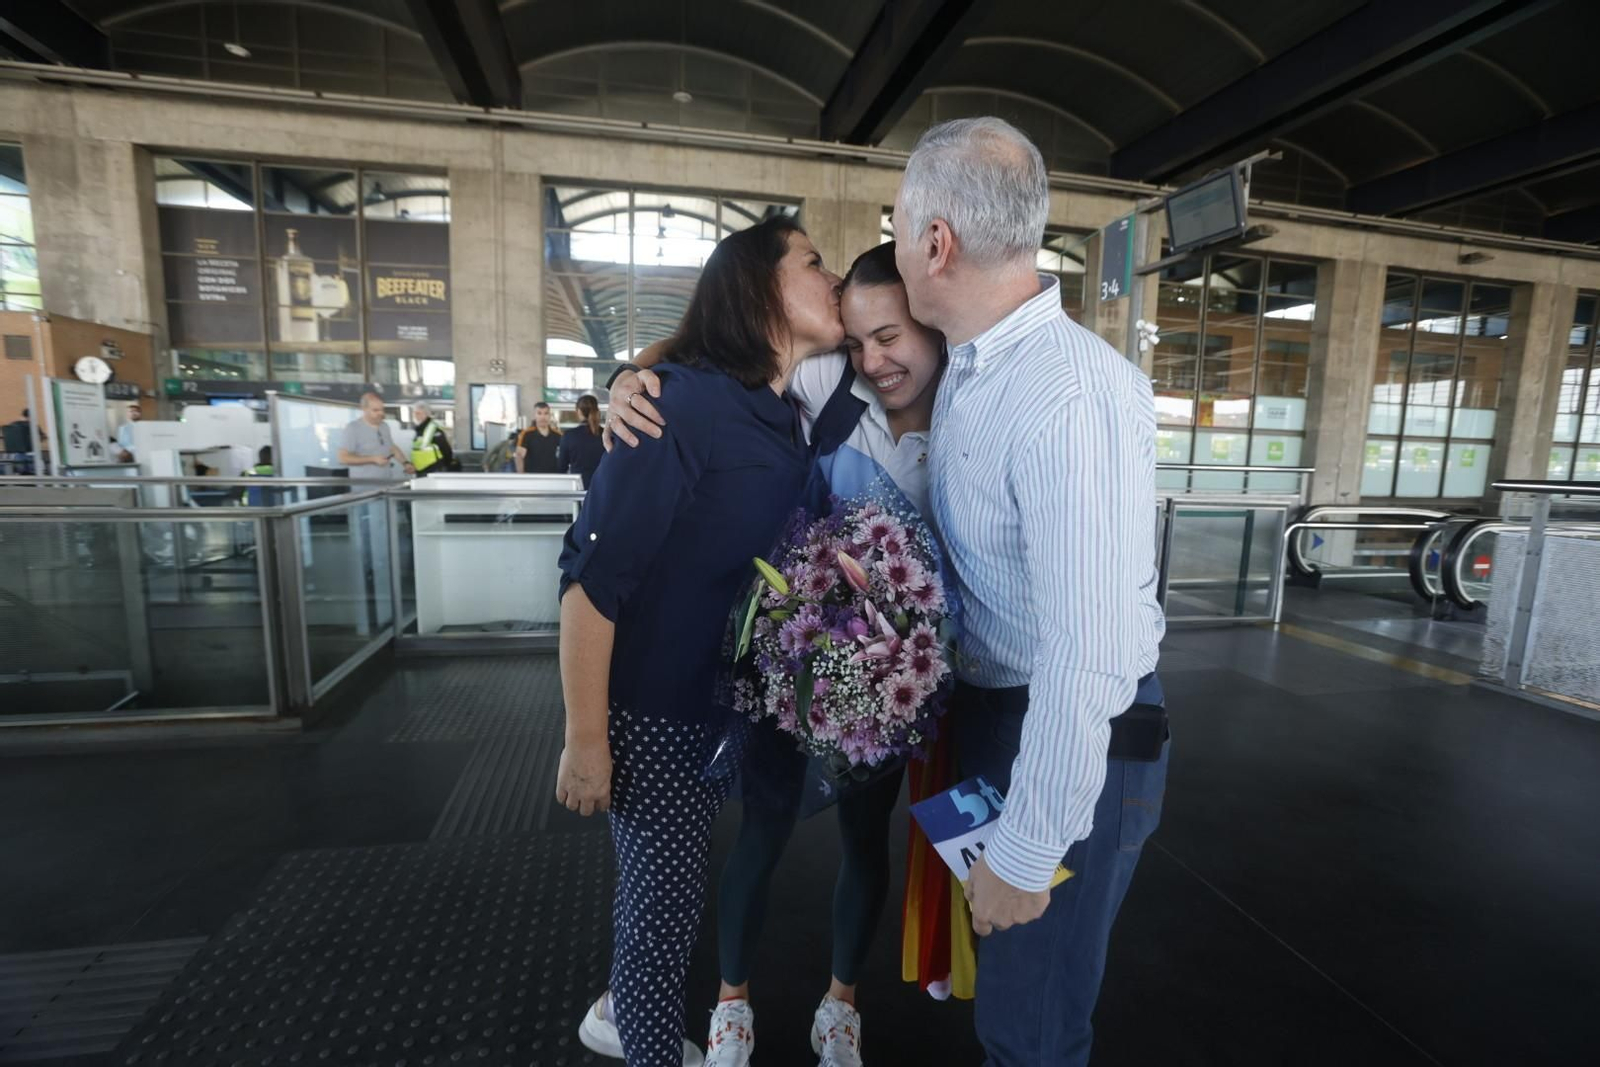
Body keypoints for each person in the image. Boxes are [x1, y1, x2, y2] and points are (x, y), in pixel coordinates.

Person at [604, 242, 944, 1067]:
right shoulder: (830, 379)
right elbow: (711, 340)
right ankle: (732, 1007)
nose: (874, 357)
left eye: (891, 336)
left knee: (870, 840)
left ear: (934, 328)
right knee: (761, 832)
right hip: (790, 659)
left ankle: (841, 1006)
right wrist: (626, 378)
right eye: (858, 337)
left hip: (894, 680)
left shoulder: (970, 407)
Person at [894, 116, 1167, 1067]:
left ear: (937, 242)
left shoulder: (1067, 397)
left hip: (1065, 727)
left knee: (1031, 1026)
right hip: (997, 712)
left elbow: (1086, 655)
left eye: (898, 223)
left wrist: (1023, 849)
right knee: (1006, 1001)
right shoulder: (971, 368)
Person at [557, 215, 844, 1067]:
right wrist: (585, 739)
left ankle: (625, 1014)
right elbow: (591, 579)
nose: (829, 279)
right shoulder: (683, 403)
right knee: (664, 918)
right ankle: (639, 1036)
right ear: (758, 286)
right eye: (813, 262)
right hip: (657, 709)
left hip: (719, 705)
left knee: (668, 902)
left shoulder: (777, 407)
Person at [337, 391, 413, 480]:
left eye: (382, 409)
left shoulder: (384, 426)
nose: (381, 413)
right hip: (365, 487)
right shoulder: (353, 428)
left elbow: (391, 448)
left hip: (386, 484)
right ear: (364, 409)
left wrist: (405, 463)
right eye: (375, 410)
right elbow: (343, 458)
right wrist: (372, 459)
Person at [557, 394, 606, 487]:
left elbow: (561, 467)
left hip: (579, 488)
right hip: (602, 486)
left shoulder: (569, 436)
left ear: (579, 411)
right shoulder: (606, 435)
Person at [409, 401, 457, 476]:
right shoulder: (418, 430)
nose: (415, 416)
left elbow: (445, 448)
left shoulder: (433, 428)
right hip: (420, 469)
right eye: (414, 413)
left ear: (426, 414)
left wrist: (448, 464)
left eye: (418, 413)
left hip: (434, 469)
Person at [516, 402, 562, 474]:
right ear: (534, 416)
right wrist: (522, 477)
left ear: (550, 415)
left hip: (554, 478)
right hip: (533, 478)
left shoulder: (558, 435)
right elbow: (519, 456)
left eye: (546, 413)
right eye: (539, 413)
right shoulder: (526, 434)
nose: (543, 417)